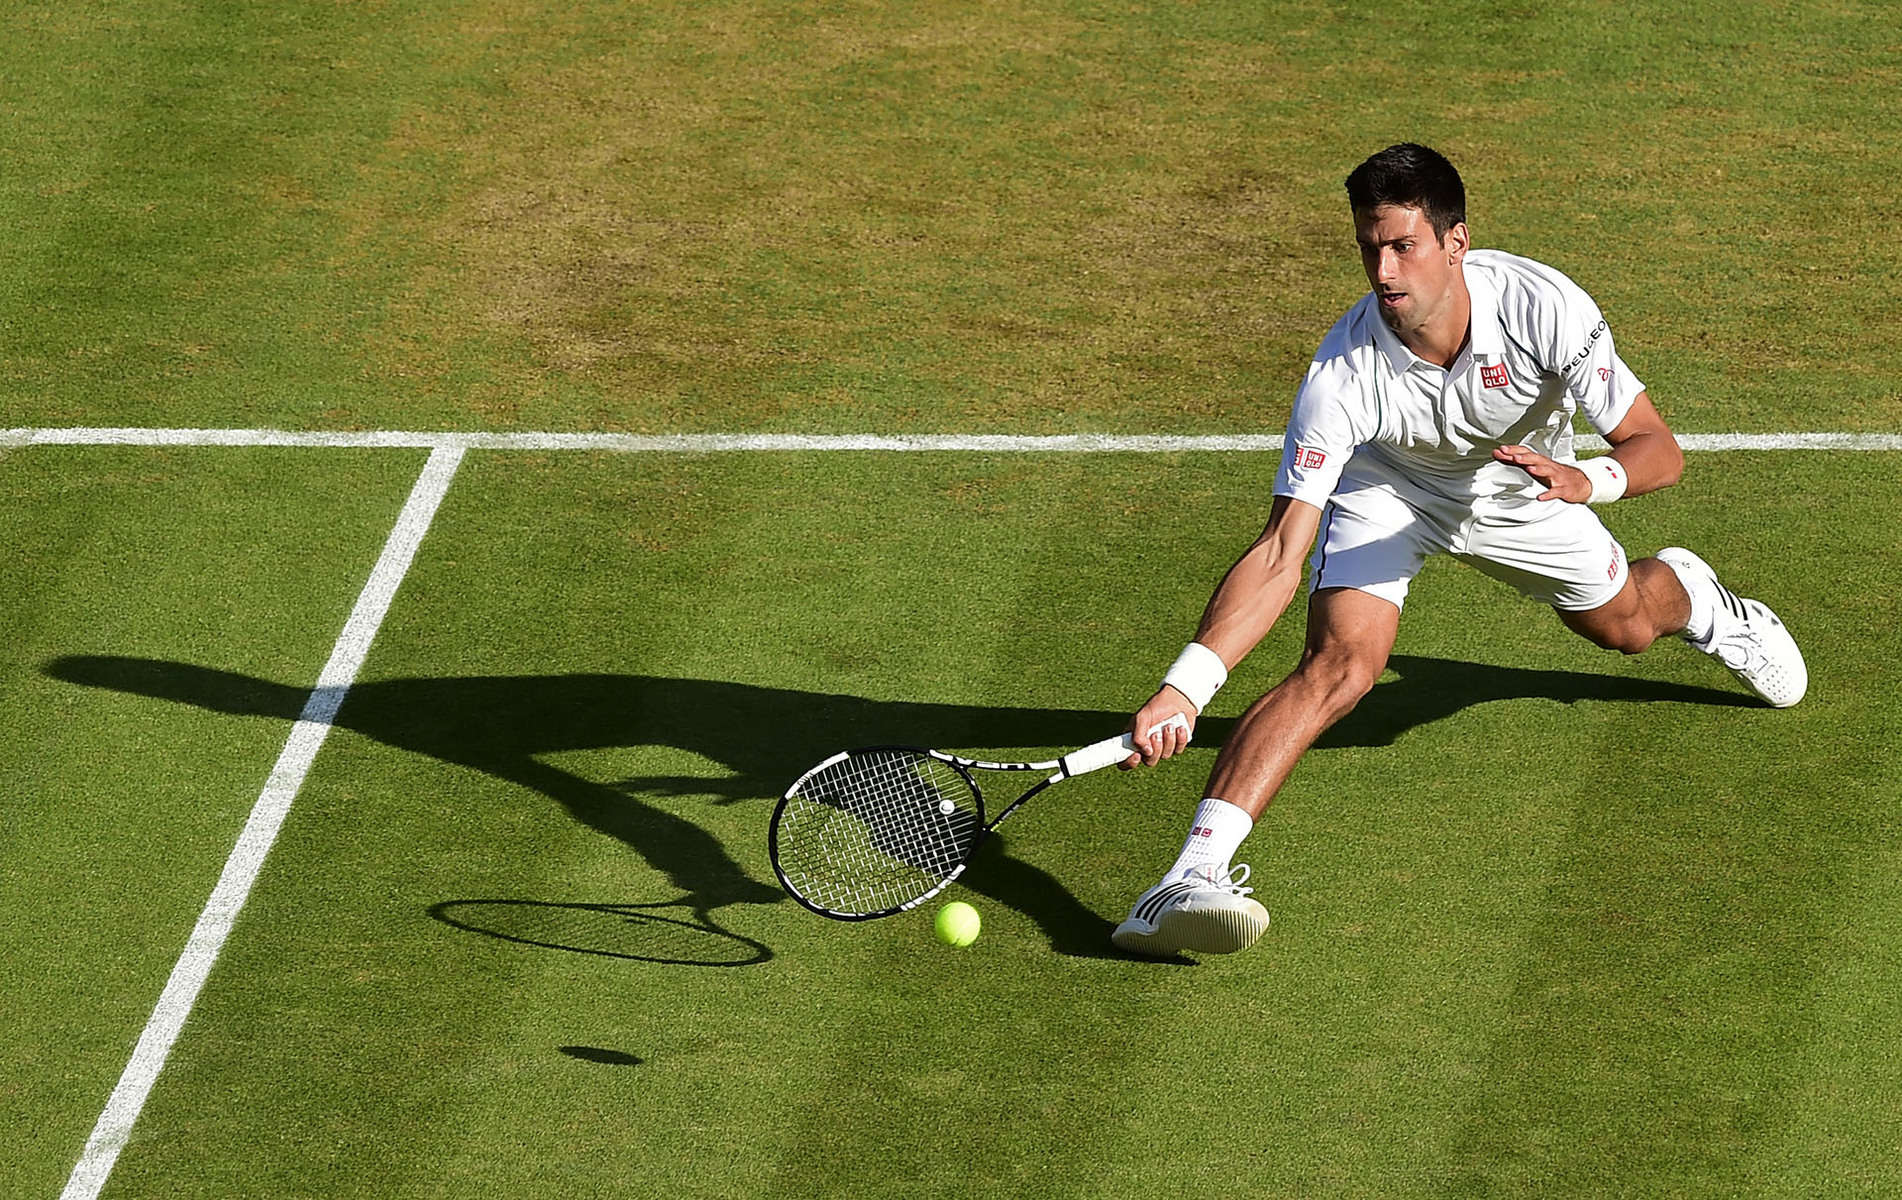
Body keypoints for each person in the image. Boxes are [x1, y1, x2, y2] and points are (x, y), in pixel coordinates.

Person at [1110, 143, 1807, 958]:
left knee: (1626, 627)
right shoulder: (1341, 375)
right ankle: (1188, 876)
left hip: (1527, 488)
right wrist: (1184, 689)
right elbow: (1277, 554)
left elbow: (1658, 446)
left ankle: (1700, 599)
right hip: (1391, 486)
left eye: (1403, 245)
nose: (1383, 269)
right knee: (1341, 664)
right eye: (1370, 247)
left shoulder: (1545, 307)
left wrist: (1591, 481)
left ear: (1456, 241)